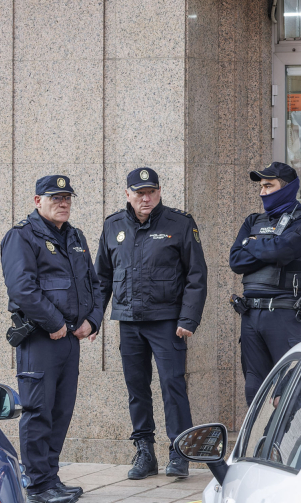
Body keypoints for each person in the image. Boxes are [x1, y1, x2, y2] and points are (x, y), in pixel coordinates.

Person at [95, 168, 208, 480]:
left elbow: (196, 275)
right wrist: (92, 320)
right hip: (129, 323)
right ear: (128, 194)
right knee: (137, 389)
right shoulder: (113, 226)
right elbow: (101, 279)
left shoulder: (180, 224)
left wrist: (188, 318)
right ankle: (145, 452)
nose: (146, 198)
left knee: (173, 386)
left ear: (159, 192)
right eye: (139, 192)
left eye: (152, 192)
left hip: (167, 322)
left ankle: (180, 452)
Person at [0, 175, 103, 503]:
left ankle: (50, 478)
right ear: (37, 201)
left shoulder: (76, 236)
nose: (63, 203)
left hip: (70, 339)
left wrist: (93, 321)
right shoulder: (22, 237)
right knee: (38, 410)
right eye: (55, 197)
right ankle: (37, 485)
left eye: (67, 198)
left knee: (60, 411)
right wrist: (55, 323)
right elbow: (22, 289)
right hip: (41, 340)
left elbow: (95, 284)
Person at [229, 162, 301, 403]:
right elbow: (236, 261)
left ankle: (282, 441)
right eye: (261, 186)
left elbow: (280, 252)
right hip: (251, 315)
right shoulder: (253, 221)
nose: (262, 192)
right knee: (254, 391)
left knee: (288, 394)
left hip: (284, 315)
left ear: (288, 188)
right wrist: (268, 249)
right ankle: (260, 441)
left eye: (269, 186)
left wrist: (251, 243)